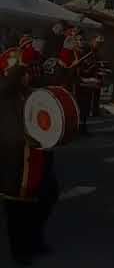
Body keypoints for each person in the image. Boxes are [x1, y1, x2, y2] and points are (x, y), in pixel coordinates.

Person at [0, 36, 59, 265]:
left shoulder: (31, 92)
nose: (29, 74)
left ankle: (35, 239)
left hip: (37, 156)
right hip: (14, 162)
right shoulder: (4, 98)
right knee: (17, 209)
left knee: (47, 195)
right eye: (23, 72)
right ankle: (21, 251)